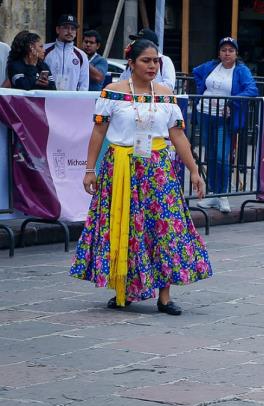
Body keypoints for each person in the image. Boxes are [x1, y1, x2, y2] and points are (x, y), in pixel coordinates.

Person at [70, 39, 212, 315]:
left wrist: (194, 170)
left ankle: (165, 296)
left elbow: (177, 135)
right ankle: (124, 289)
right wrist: (90, 169)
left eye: (156, 60)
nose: (152, 66)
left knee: (164, 227)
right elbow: (98, 133)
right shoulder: (112, 92)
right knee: (125, 226)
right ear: (131, 63)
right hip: (120, 168)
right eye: (146, 60)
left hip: (158, 170)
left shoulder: (166, 93)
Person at [192, 37, 258, 213]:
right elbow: (196, 72)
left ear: (236, 53)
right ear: (219, 53)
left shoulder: (241, 71)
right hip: (205, 113)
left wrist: (232, 101)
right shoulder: (210, 66)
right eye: (223, 50)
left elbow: (252, 89)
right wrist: (202, 90)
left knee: (222, 156)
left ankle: (223, 194)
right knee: (211, 155)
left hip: (224, 118)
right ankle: (213, 193)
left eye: (230, 50)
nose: (227, 53)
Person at [43, 14, 89, 91]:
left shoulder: (81, 55)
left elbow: (84, 84)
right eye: (66, 28)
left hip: (71, 100)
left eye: (73, 29)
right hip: (48, 99)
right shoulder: (44, 50)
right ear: (57, 29)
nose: (70, 31)